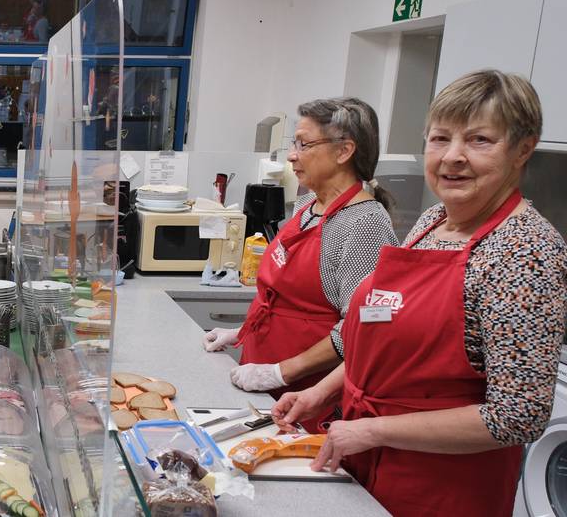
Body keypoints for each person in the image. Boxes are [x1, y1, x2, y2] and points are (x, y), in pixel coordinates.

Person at [274, 71, 567, 517]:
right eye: (440, 138)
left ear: (522, 150)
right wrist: (324, 392)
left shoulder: (524, 253)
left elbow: (517, 416)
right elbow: (383, 335)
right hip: (372, 460)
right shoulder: (433, 221)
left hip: (441, 488)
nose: (453, 157)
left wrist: (376, 431)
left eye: (480, 140)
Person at [203, 98, 397, 429]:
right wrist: (243, 333)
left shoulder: (364, 224)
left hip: (308, 400)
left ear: (343, 151)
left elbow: (361, 330)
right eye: (295, 144)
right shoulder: (307, 205)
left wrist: (280, 372)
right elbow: (289, 301)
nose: (293, 155)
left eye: (303, 144)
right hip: (263, 384)